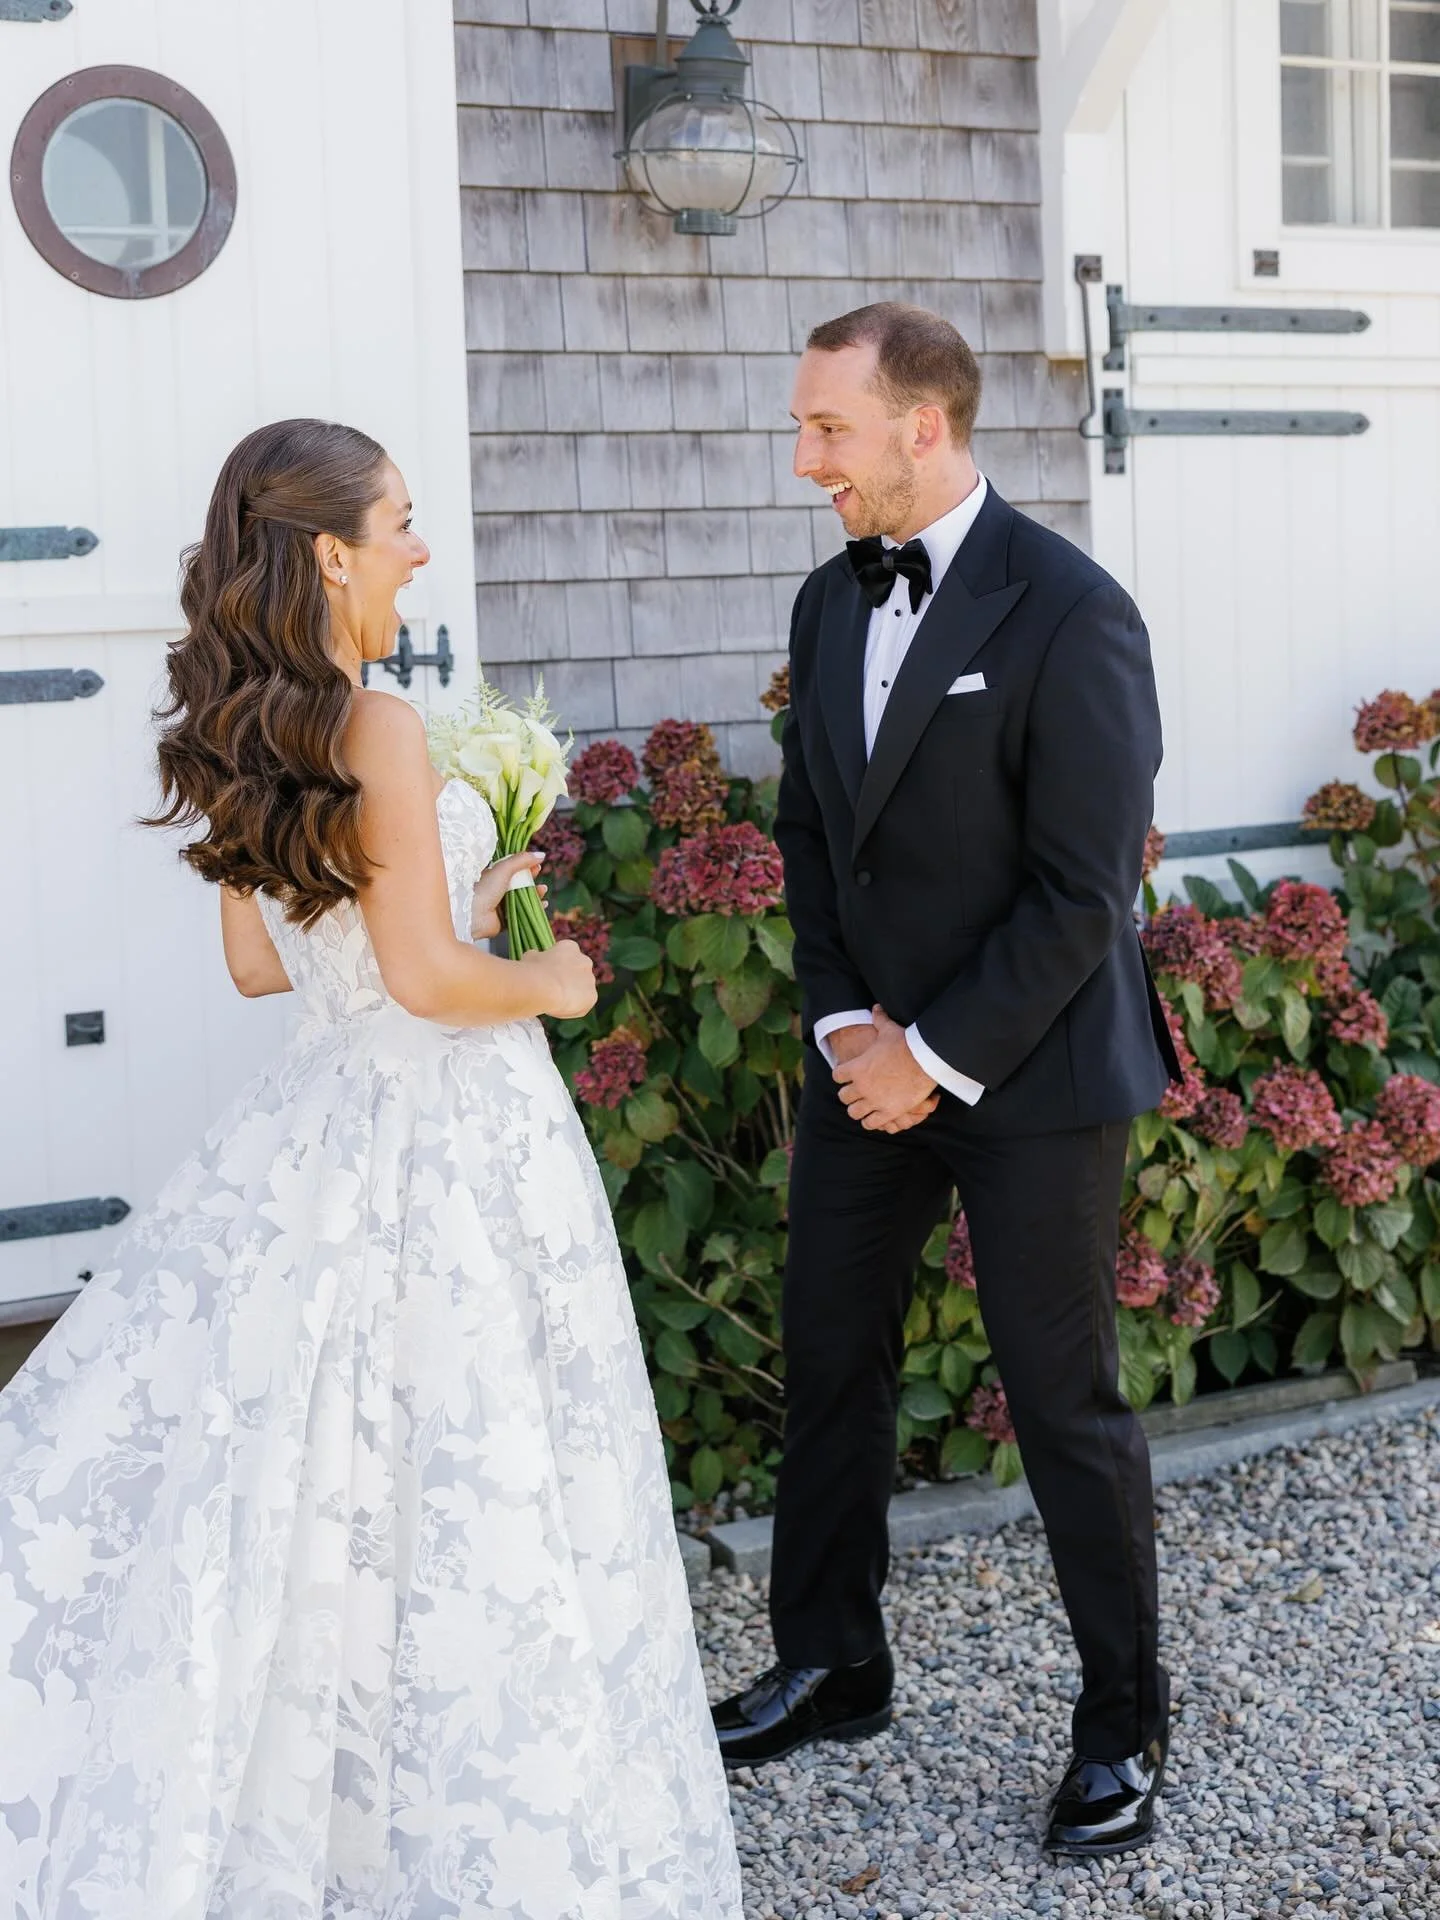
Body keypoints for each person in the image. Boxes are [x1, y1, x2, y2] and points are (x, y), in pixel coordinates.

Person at [0, 419, 742, 1919]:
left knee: (325, 1468)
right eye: (401, 521)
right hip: (449, 1136)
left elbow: (267, 970)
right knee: (468, 1465)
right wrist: (549, 984)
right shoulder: (381, 724)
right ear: (331, 549)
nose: (420, 545)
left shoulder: (239, 722)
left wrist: (463, 902)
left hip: (320, 1120)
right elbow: (419, 982)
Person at [709, 305, 1181, 1859]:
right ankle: (834, 1661)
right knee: (829, 1359)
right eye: (801, 430)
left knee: (1066, 1405)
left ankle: (1123, 1726)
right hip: (871, 1068)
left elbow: (1081, 891)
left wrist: (933, 1054)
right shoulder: (822, 604)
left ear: (924, 425)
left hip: (1031, 1074)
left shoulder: (1072, 610)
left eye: (827, 431)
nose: (805, 463)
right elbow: (811, 839)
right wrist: (849, 1021)